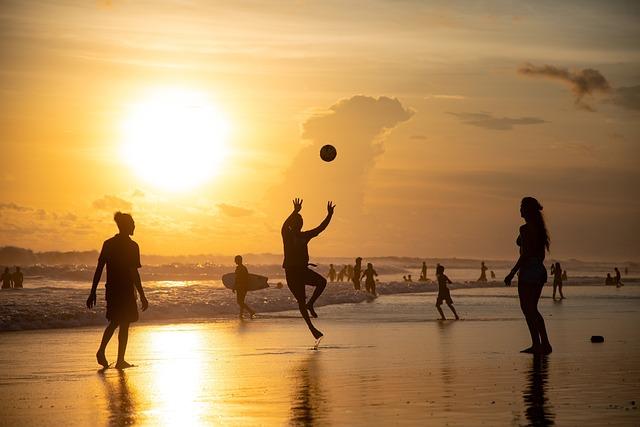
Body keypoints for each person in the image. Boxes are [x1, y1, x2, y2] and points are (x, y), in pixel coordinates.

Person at [87, 212, 149, 369]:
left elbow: (99, 269)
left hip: (116, 290)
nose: (134, 226)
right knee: (119, 322)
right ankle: (104, 352)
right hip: (124, 290)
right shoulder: (132, 246)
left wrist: (93, 291)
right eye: (133, 223)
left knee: (121, 322)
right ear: (126, 225)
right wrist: (142, 295)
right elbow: (134, 273)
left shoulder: (109, 244)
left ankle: (119, 359)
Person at [504, 197, 552, 355]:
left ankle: (536, 344)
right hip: (539, 270)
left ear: (527, 210)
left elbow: (524, 255)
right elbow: (539, 254)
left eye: (521, 207)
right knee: (533, 309)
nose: (519, 210)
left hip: (528, 271)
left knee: (527, 309)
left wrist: (512, 272)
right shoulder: (539, 229)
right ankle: (544, 343)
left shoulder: (525, 229)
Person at [281, 198, 334, 340]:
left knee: (322, 282)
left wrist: (329, 215)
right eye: (297, 222)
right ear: (293, 224)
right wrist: (294, 212)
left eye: (301, 221)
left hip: (303, 271)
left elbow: (320, 228)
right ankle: (311, 328)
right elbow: (284, 226)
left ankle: (311, 303)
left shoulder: (305, 235)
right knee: (301, 301)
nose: (300, 223)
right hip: (291, 273)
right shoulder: (287, 235)